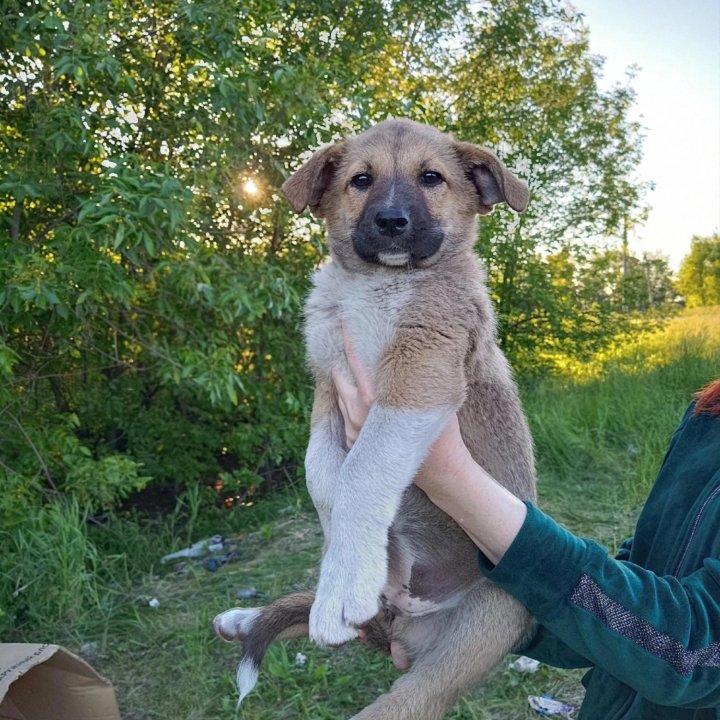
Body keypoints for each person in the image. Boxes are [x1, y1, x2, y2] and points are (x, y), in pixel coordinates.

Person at [332, 340, 720, 719]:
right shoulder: (708, 416)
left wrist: (448, 474)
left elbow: (695, 652)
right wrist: (452, 617)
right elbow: (631, 598)